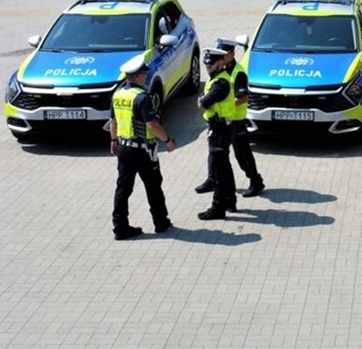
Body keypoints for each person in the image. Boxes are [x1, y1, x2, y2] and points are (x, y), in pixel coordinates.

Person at [110, 54, 177, 239]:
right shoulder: (142, 97)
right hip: (142, 151)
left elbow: (113, 121)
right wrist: (168, 141)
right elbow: (152, 125)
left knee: (123, 188)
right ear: (138, 76)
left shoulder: (118, 94)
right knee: (153, 186)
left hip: (123, 147)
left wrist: (114, 140)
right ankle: (161, 223)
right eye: (144, 73)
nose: (146, 76)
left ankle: (120, 227)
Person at [194, 39, 264, 199]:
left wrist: (222, 101)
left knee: (242, 153)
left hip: (236, 119)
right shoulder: (222, 71)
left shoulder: (237, 72)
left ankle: (256, 181)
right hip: (222, 120)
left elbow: (243, 97)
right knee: (215, 153)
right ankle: (212, 180)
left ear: (232, 54)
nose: (222, 57)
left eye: (224, 54)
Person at [196, 46, 239, 220]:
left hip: (220, 129)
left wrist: (201, 102)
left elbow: (205, 102)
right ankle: (229, 201)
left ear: (221, 62)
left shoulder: (220, 83)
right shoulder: (216, 79)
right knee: (224, 167)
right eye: (206, 64)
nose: (208, 66)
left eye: (212, 63)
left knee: (217, 171)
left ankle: (218, 207)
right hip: (221, 128)